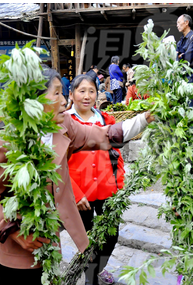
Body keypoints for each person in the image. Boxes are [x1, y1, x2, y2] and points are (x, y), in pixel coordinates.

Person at [0, 67, 154, 285]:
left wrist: (144, 119)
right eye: (56, 93)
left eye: (62, 93)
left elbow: (101, 135)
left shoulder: (60, 126)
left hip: (47, 240)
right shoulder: (7, 141)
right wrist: (14, 232)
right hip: (15, 248)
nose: (64, 101)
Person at [66, 74, 124, 285]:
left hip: (108, 189)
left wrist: (120, 183)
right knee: (88, 240)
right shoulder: (65, 121)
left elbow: (117, 155)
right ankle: (91, 278)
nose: (87, 96)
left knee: (111, 236)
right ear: (71, 95)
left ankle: (95, 271)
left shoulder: (106, 119)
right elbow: (57, 163)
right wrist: (73, 192)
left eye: (91, 91)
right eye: (81, 91)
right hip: (81, 195)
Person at [176, 14, 193, 113]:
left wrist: (180, 56)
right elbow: (176, 57)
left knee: (192, 105)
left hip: (192, 77)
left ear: (186, 23)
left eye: (179, 22)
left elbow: (187, 58)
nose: (177, 25)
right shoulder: (180, 41)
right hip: (182, 77)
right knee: (183, 105)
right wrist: (179, 56)